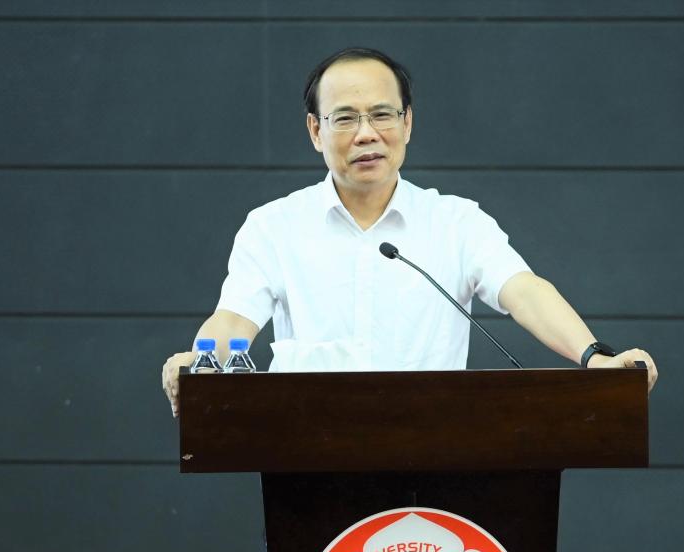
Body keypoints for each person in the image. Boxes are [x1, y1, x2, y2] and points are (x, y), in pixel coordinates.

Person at [162, 47, 658, 417]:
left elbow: (524, 291)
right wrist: (198, 362)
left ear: (407, 123)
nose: (367, 134)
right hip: (309, 451)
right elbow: (234, 319)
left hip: (438, 449)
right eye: (345, 119)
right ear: (315, 131)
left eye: (382, 115)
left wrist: (594, 358)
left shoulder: (456, 221)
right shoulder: (273, 226)